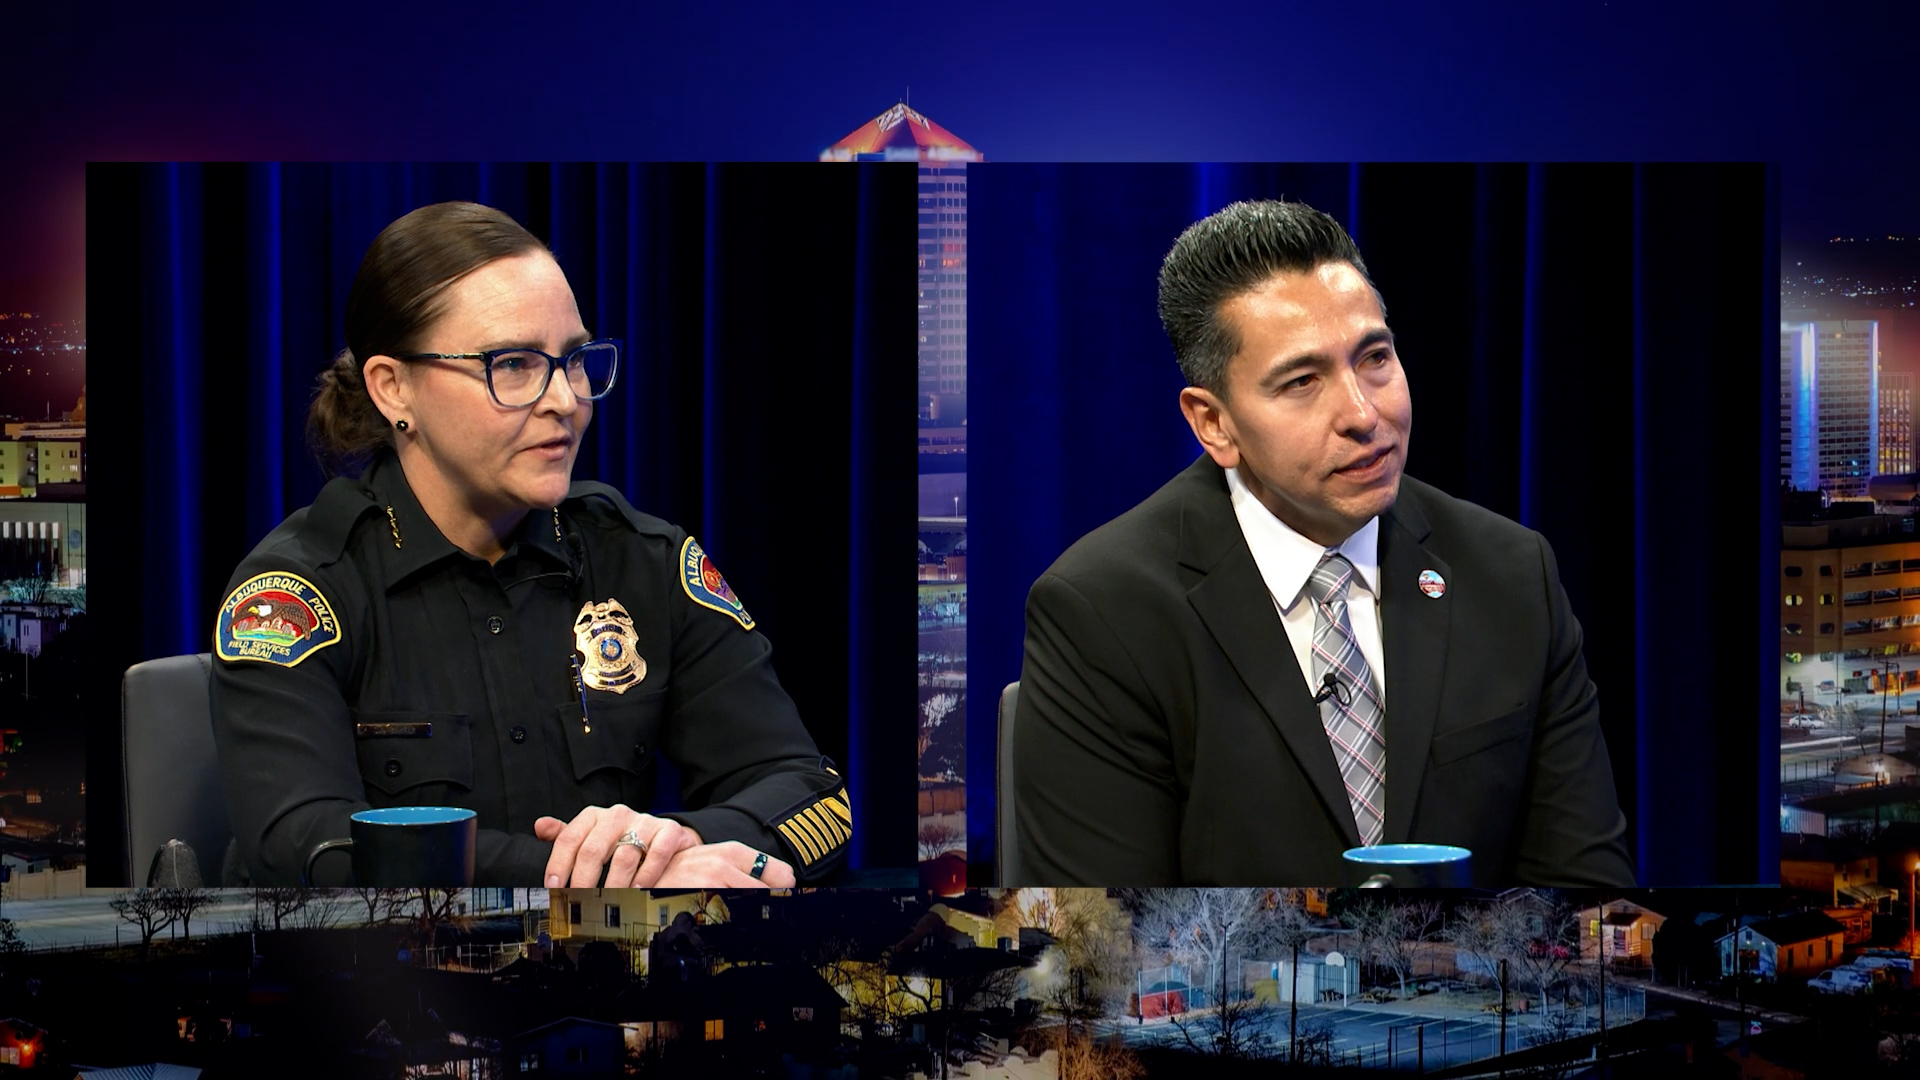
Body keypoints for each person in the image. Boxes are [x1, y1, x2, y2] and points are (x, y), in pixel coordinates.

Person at [211, 201, 851, 888]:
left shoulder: (644, 561)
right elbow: (307, 844)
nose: (566, 400)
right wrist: (589, 871)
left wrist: (681, 843)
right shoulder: (299, 592)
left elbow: (813, 795)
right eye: (512, 364)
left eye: (574, 361)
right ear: (393, 388)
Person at [1012, 199, 1634, 887]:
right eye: (1302, 382)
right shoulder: (1104, 611)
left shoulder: (1512, 573)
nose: (1365, 415)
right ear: (1213, 423)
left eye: (1375, 358)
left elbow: (1586, 892)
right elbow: (1108, 929)